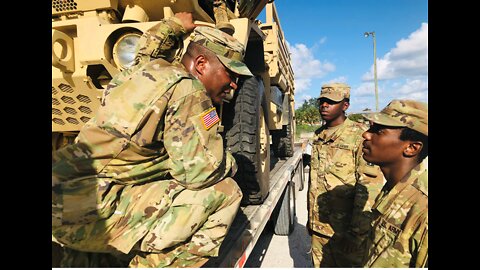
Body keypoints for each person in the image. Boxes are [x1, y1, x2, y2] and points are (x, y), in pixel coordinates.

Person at [52, 13, 253, 267]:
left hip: (64, 198)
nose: (234, 85)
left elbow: (146, 51)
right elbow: (199, 174)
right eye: (230, 74)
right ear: (201, 64)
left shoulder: (144, 72)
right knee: (227, 192)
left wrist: (174, 27)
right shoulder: (188, 90)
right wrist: (231, 164)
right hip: (87, 213)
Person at [307, 82, 384, 267]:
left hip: (346, 232)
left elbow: (368, 187)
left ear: (345, 105)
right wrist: (311, 220)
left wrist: (357, 233)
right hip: (319, 228)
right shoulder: (319, 135)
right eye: (322, 101)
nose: (324, 105)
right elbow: (315, 182)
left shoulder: (359, 136)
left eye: (331, 101)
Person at [361, 99, 428, 267]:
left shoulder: (423, 211)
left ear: (412, 148)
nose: (366, 134)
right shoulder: (391, 189)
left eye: (379, 130)